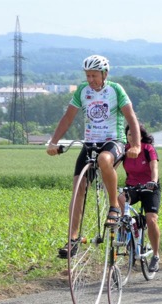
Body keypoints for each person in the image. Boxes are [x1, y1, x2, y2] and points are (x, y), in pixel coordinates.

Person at [47, 55, 141, 258]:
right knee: (78, 188)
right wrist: (53, 142)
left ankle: (114, 206)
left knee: (104, 159)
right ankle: (72, 238)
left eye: (94, 75)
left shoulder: (115, 90)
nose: (90, 79)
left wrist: (136, 145)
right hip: (90, 142)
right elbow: (68, 118)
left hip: (112, 141)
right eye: (87, 75)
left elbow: (131, 117)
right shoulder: (83, 90)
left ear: (105, 74)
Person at [118, 124, 161, 272]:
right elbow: (113, 166)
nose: (131, 137)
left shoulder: (148, 148)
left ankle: (155, 255)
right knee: (121, 199)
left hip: (150, 187)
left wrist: (153, 182)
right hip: (132, 186)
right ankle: (132, 225)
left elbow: (154, 167)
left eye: (134, 135)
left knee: (151, 219)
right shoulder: (124, 149)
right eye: (129, 135)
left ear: (140, 136)